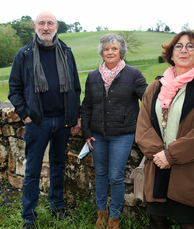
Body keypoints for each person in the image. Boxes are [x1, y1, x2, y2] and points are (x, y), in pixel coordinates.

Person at [135, 30, 194, 229]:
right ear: (171, 53)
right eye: (179, 46)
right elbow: (142, 128)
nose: (184, 50)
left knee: (188, 224)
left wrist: (171, 155)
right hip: (158, 166)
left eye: (190, 46)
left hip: (191, 167)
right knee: (156, 220)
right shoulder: (155, 87)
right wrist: (159, 155)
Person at [8, 11, 81, 229]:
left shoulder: (66, 52)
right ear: (35, 27)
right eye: (42, 23)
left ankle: (57, 206)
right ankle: (28, 217)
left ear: (57, 26)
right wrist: (26, 115)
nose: (46, 27)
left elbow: (76, 87)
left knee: (58, 164)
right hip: (38, 123)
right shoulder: (24, 54)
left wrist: (75, 116)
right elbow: (14, 90)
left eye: (50, 23)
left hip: (63, 121)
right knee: (33, 169)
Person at [81, 33, 148, 229]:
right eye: (106, 49)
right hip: (97, 135)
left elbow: (149, 101)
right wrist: (86, 133)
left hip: (123, 135)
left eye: (114, 49)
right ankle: (101, 214)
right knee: (101, 174)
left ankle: (114, 218)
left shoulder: (133, 74)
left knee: (116, 176)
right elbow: (86, 106)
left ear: (121, 52)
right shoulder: (93, 76)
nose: (109, 52)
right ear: (101, 52)